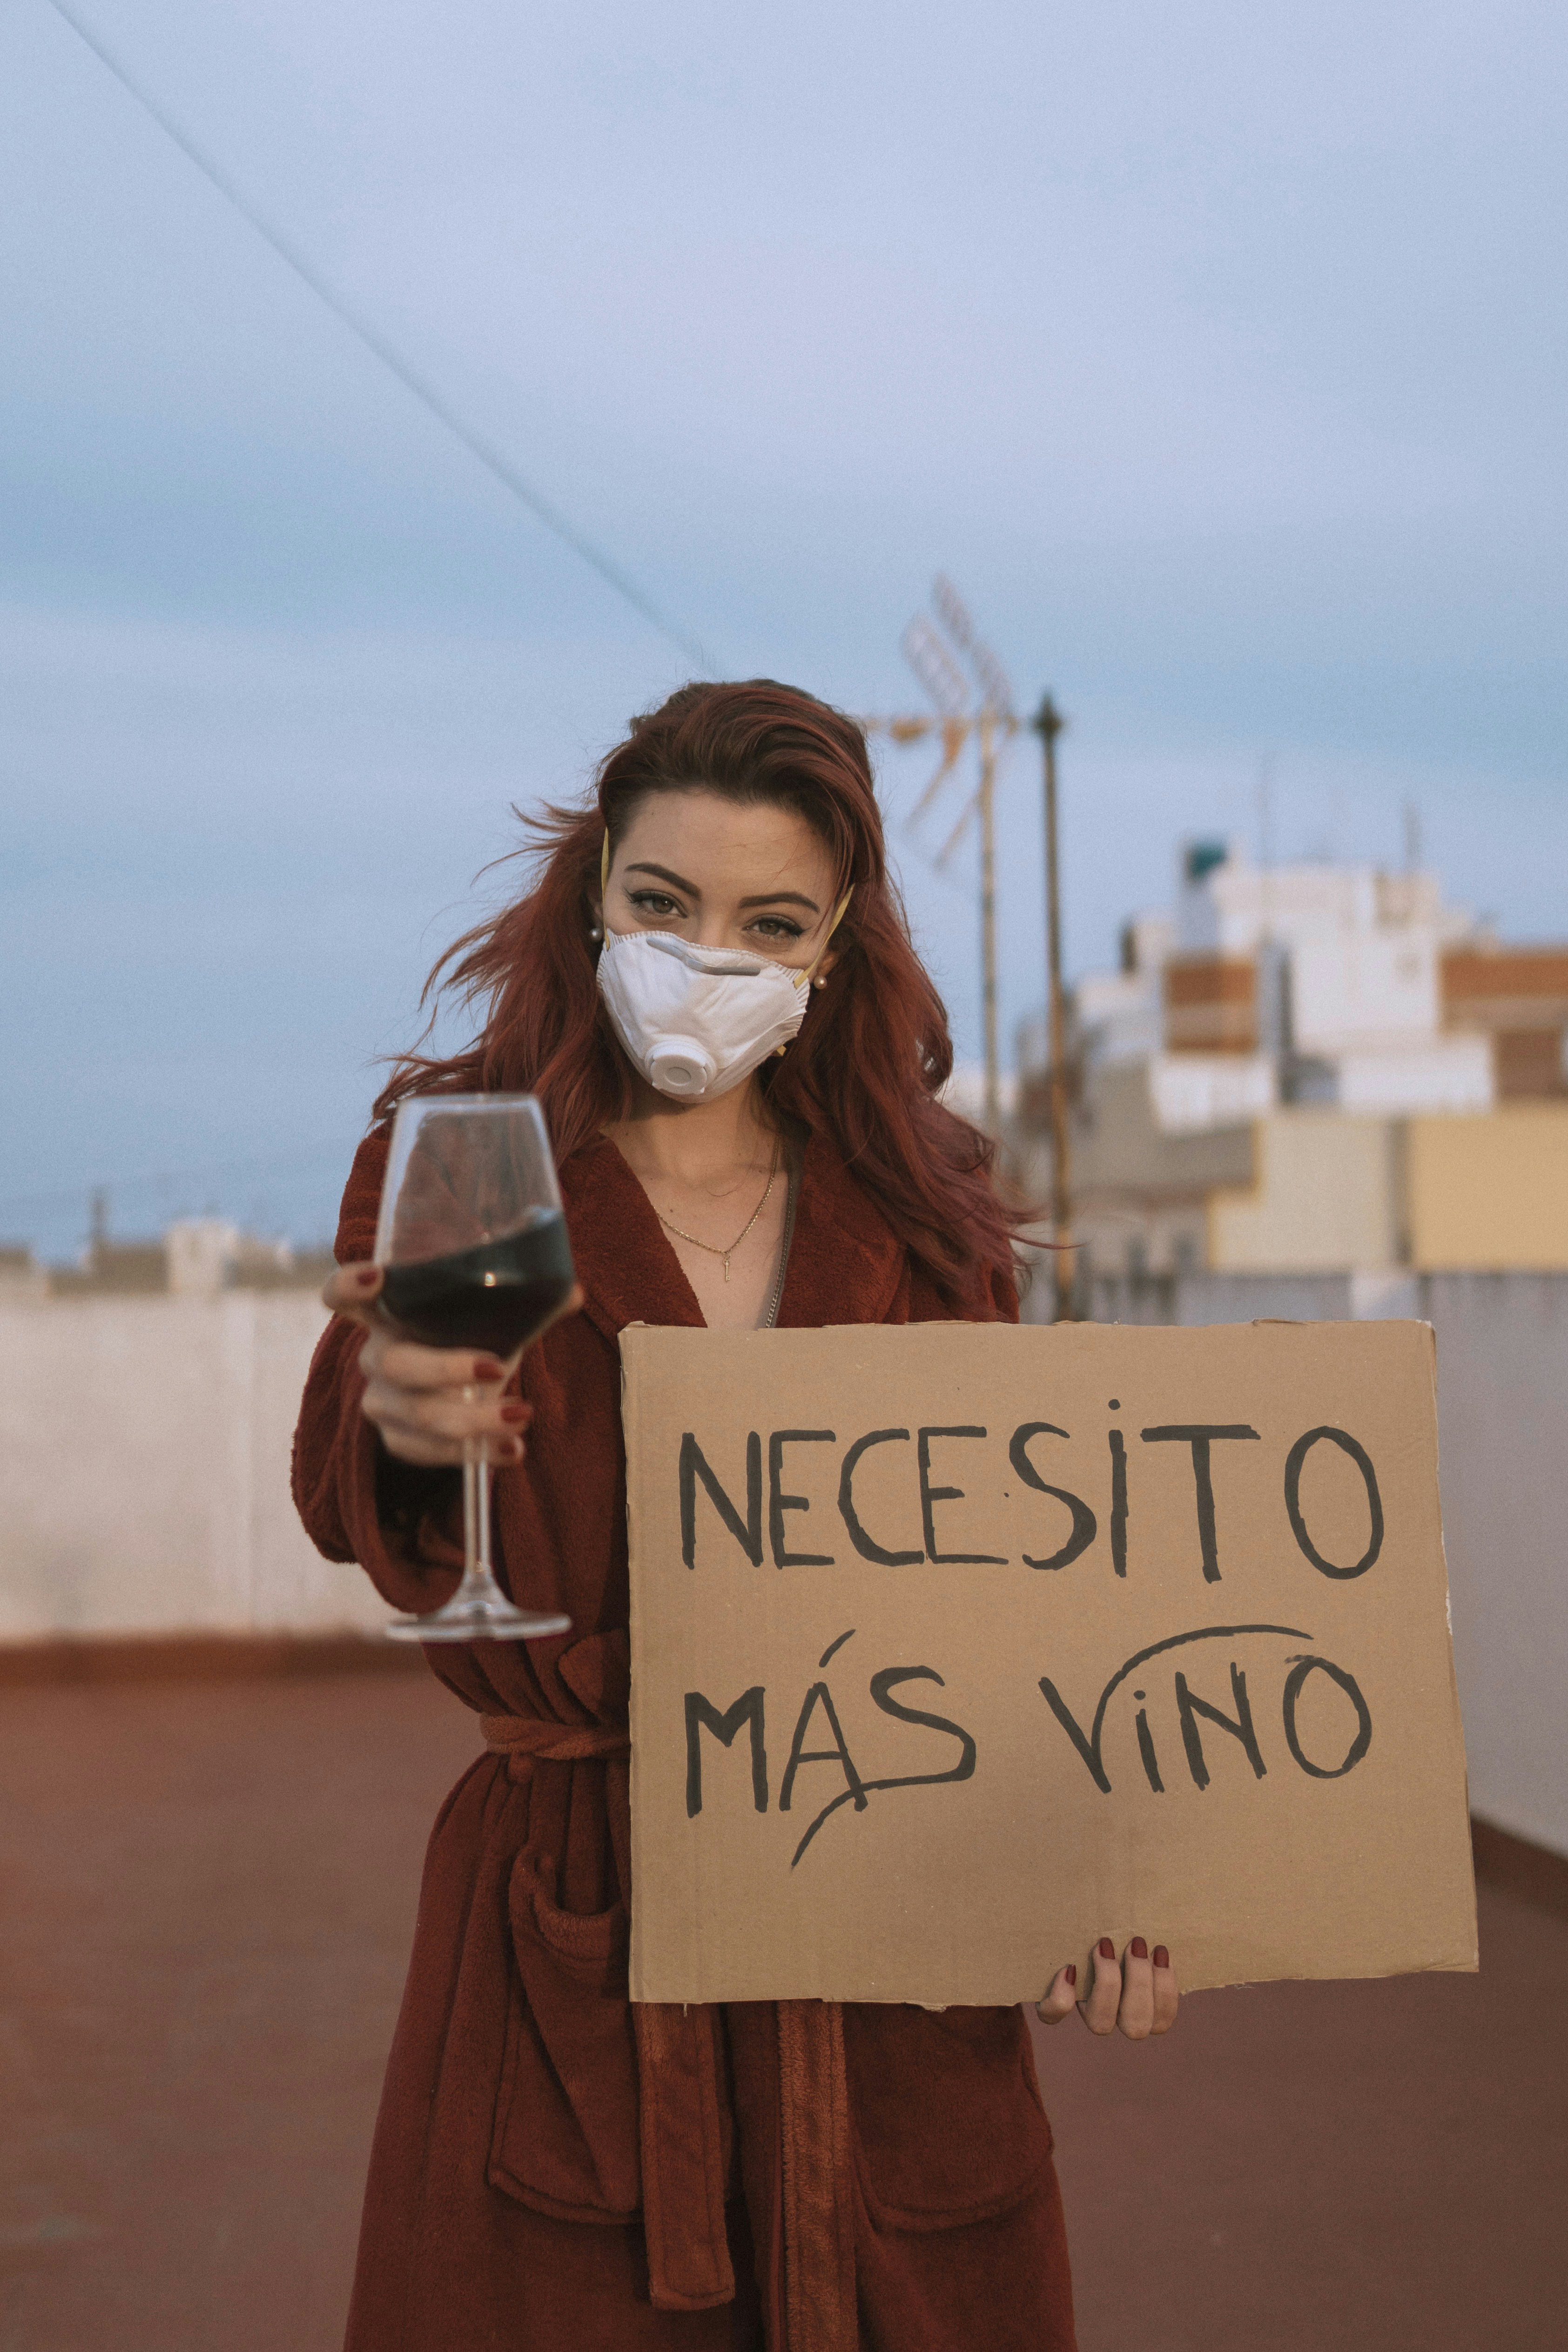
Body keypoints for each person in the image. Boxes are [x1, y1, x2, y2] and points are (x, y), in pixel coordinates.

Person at [293, 680, 1178, 2352]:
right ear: (593, 895)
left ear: (831, 950)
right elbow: (382, 1513)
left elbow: (1004, 1600)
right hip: (577, 1947)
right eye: (663, 904)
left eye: (768, 922)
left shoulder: (924, 1218)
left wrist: (1095, 1868)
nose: (708, 956)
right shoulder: (486, 1164)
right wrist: (405, 1426)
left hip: (890, 1955)